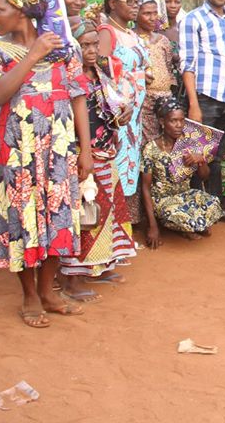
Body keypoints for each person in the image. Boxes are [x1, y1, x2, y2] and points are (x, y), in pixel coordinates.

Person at [0, 0, 93, 328]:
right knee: (21, 220)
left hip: (58, 147)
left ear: (22, 9)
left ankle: (49, 292)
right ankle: (29, 296)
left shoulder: (62, 47)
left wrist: (84, 150)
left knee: (58, 217)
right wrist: (32, 55)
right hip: (17, 151)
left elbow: (78, 98)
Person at [59, 21, 136, 300]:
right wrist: (84, 152)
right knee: (84, 214)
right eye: (85, 45)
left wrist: (119, 120)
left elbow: (107, 106)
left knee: (106, 211)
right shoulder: (70, 75)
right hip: (83, 153)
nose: (91, 50)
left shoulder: (100, 71)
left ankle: (100, 266)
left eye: (94, 44)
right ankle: (72, 279)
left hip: (105, 149)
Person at [181, 0, 225, 216]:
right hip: (204, 96)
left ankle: (213, 207)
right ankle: (193, 209)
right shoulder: (194, 19)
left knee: (215, 156)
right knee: (195, 156)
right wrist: (193, 103)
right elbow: (188, 63)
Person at [98, 0, 148, 223]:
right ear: (112, 3)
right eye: (130, 2)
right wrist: (116, 108)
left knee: (129, 165)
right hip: (119, 113)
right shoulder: (107, 32)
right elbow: (102, 74)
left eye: (137, 2)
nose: (135, 6)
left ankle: (121, 229)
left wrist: (142, 75)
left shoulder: (130, 33)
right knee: (116, 165)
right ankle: (109, 228)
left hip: (135, 114)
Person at [141, 97, 223, 244]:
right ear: (162, 122)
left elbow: (204, 177)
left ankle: (190, 224)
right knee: (175, 213)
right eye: (173, 121)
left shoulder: (188, 144)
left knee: (213, 203)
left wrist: (201, 161)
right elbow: (145, 188)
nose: (179, 125)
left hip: (185, 196)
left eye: (182, 120)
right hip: (163, 201)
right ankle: (184, 226)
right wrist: (152, 227)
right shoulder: (150, 149)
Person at [135, 0, 176, 144]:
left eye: (154, 13)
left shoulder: (162, 40)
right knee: (148, 142)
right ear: (136, 14)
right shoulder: (131, 39)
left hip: (165, 98)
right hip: (144, 100)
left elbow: (168, 67)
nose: (153, 18)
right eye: (147, 13)